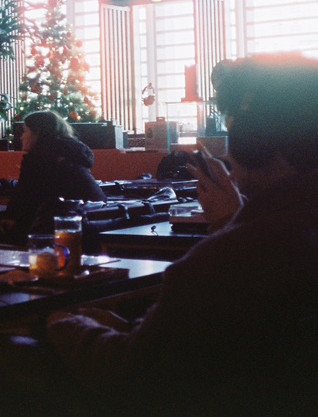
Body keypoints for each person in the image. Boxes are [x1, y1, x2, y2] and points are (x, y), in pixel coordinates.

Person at [44, 55, 318, 414]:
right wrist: (233, 223)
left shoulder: (226, 260)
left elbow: (132, 374)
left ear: (254, 141)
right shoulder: (271, 241)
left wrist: (62, 322)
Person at [0, 110, 106, 244]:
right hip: (92, 224)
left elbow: (24, 197)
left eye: (25, 131)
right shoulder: (73, 152)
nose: (21, 137)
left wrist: (9, 218)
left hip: (57, 228)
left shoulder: (37, 158)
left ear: (37, 133)